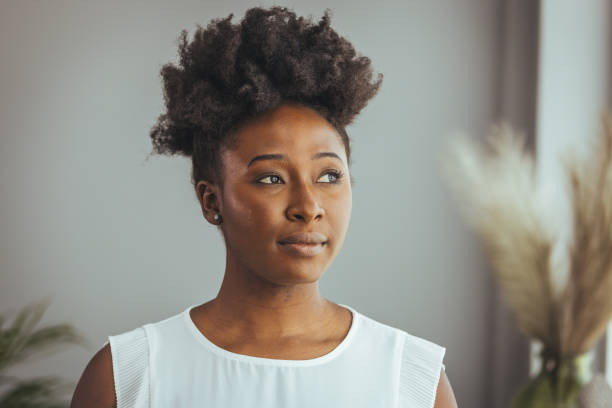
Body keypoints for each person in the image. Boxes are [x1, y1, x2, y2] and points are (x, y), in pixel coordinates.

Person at [71, 6, 458, 408]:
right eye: (271, 178)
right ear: (211, 199)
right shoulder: (128, 376)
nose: (308, 207)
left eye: (328, 176)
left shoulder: (411, 378)